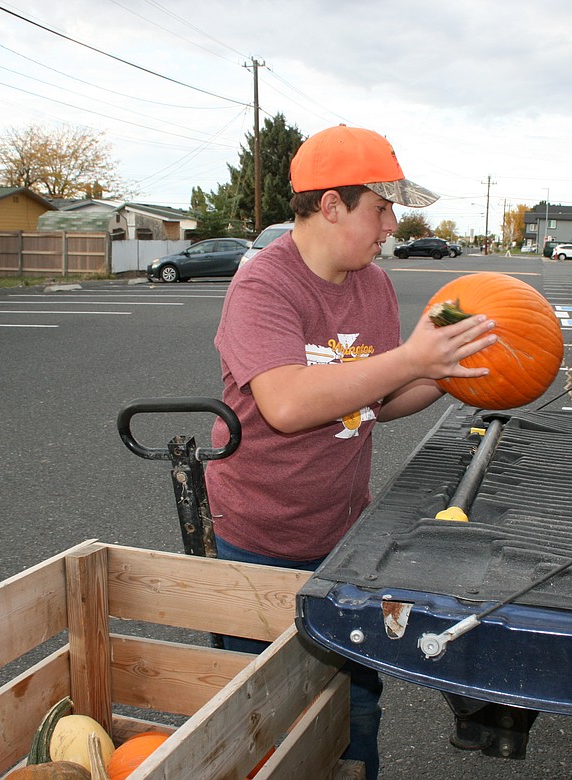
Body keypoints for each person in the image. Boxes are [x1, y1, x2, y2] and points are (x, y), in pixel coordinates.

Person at [206, 124, 497, 779]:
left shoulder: (375, 286)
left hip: (343, 533)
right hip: (258, 534)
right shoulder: (263, 286)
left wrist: (445, 375)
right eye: (381, 207)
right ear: (331, 204)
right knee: (256, 712)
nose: (392, 224)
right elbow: (285, 404)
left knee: (354, 708)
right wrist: (411, 358)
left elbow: (378, 401)